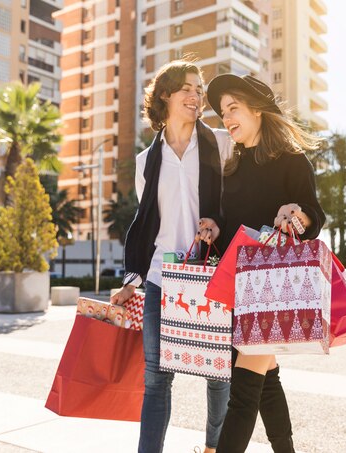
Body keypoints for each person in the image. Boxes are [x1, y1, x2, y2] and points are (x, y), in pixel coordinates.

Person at [200, 74, 326, 453]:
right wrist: (212, 228)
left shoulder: (290, 159)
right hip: (238, 290)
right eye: (223, 113)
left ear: (257, 109)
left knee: (243, 393)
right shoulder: (232, 167)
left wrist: (297, 213)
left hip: (271, 293)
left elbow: (313, 217)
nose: (227, 119)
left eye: (233, 109)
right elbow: (233, 231)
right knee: (267, 379)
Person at [110, 60, 232, 453]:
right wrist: (132, 279)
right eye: (188, 88)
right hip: (163, 279)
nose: (196, 96)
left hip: (212, 276)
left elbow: (236, 205)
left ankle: (214, 448)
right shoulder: (148, 161)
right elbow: (146, 224)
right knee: (156, 377)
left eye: (200, 90)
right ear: (165, 94)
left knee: (218, 374)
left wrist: (218, 223)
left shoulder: (219, 143)